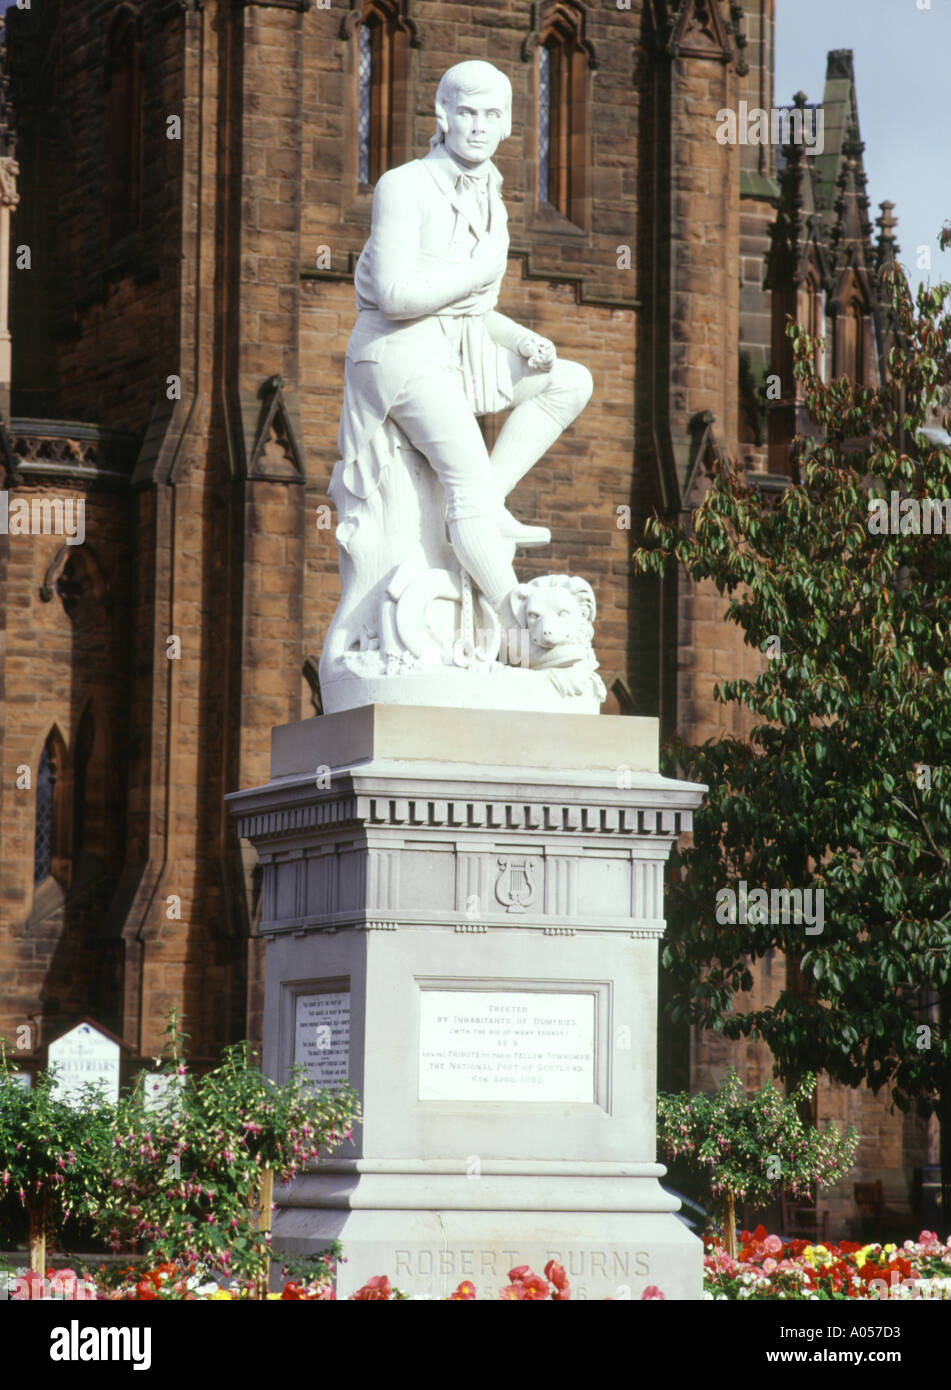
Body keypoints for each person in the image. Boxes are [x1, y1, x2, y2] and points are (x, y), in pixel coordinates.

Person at [336, 59, 593, 622]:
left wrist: (524, 338)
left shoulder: (492, 200)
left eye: (492, 114)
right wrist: (478, 272)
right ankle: (515, 625)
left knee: (571, 381)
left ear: (507, 126)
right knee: (465, 481)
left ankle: (489, 503)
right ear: (443, 115)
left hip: (458, 345)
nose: (479, 125)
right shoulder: (402, 185)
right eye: (468, 112)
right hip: (397, 351)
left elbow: (477, 310)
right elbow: (397, 294)